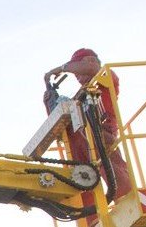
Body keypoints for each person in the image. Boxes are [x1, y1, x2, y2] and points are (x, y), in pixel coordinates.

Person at [46, 48, 133, 209]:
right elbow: (60, 124)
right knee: (80, 175)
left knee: (110, 165)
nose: (76, 75)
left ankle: (128, 199)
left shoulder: (105, 76)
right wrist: (50, 102)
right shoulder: (80, 95)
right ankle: (92, 218)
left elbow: (91, 69)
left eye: (77, 68)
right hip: (83, 138)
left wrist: (60, 69)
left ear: (91, 61)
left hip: (102, 132)